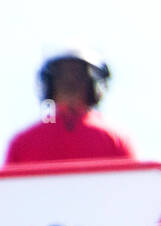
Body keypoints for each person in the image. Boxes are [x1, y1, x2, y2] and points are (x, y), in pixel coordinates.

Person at [5, 49, 133, 165]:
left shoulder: (114, 141)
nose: (70, 85)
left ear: (92, 87)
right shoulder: (24, 143)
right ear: (50, 87)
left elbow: (132, 186)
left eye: (78, 77)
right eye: (63, 78)